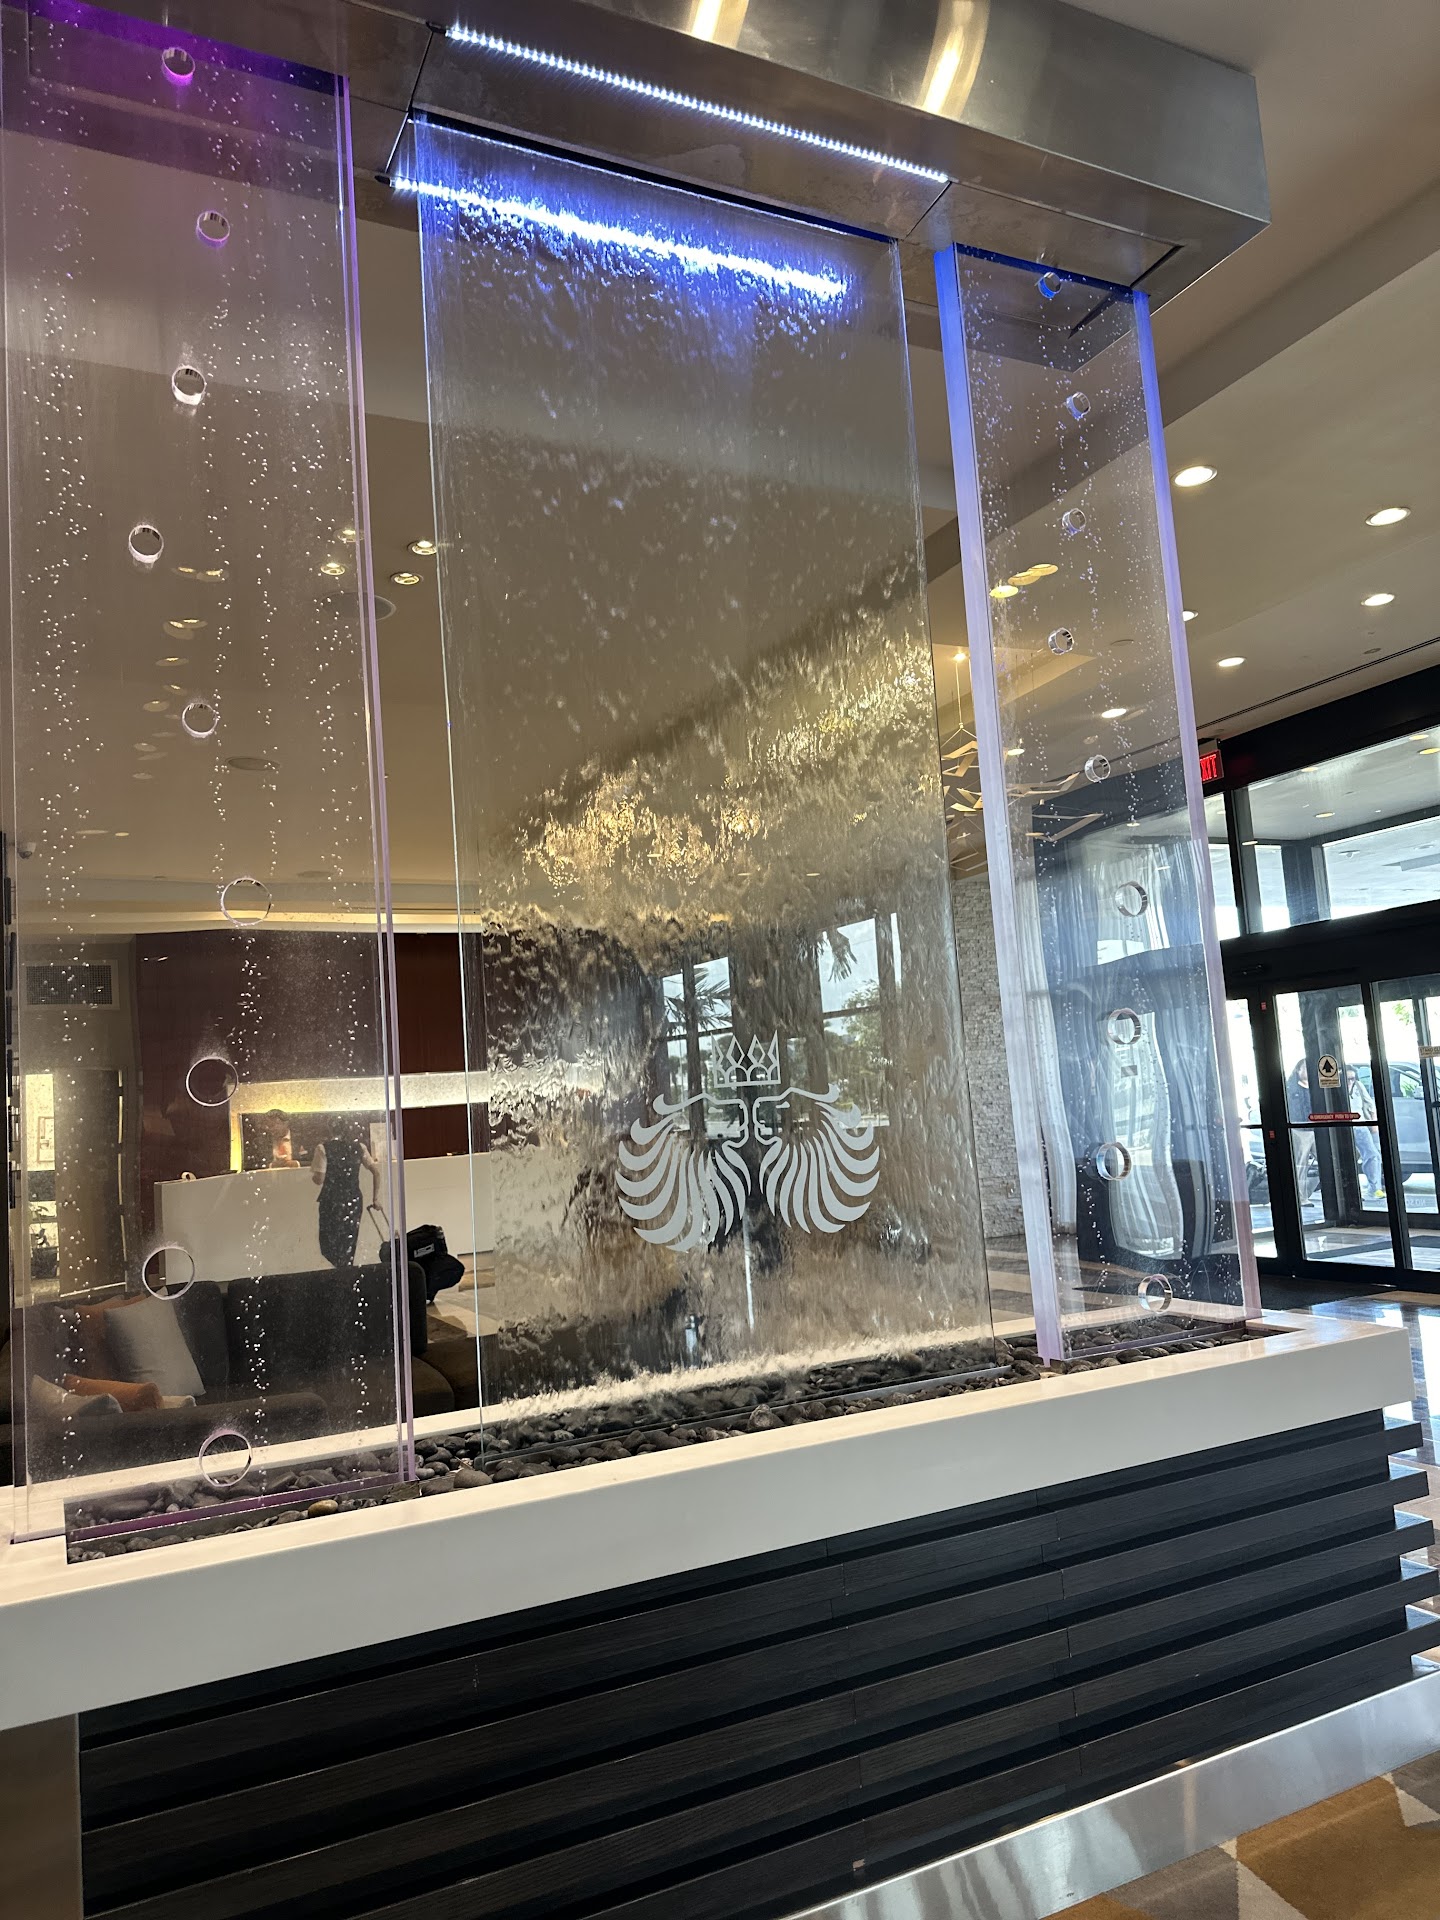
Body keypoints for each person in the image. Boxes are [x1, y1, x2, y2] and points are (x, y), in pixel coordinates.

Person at [312, 1124, 381, 1268]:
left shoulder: (323, 1148)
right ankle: (346, 1270)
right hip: (353, 1199)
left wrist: (313, 1176)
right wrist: (375, 1198)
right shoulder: (360, 1147)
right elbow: (376, 1172)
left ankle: (341, 1270)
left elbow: (319, 1179)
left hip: (331, 1201)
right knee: (348, 1243)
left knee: (328, 1244)